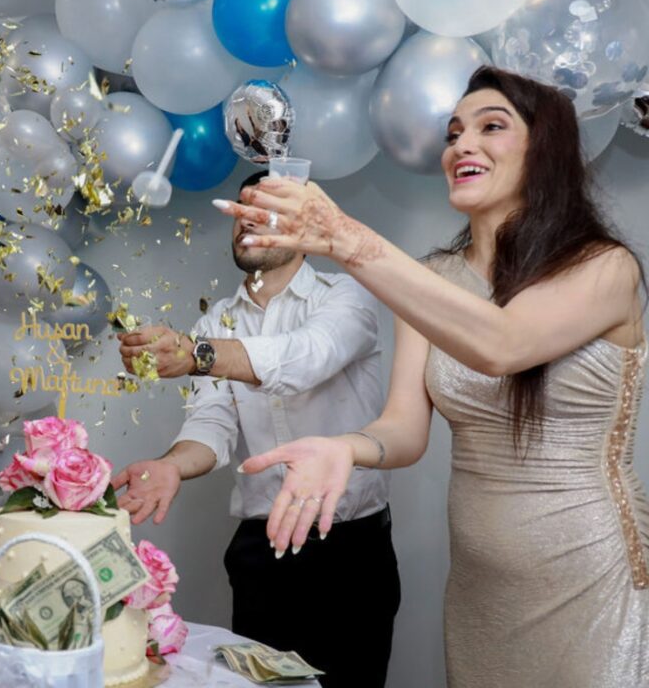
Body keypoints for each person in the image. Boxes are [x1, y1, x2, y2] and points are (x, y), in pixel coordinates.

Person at [223, 65, 648, 687]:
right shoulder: (433, 277)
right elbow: (404, 429)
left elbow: (503, 345)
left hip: (588, 571)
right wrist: (346, 448)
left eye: (490, 127)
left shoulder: (604, 268)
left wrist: (344, 237)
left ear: (545, 150)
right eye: (453, 133)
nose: (461, 146)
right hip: (480, 585)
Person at [111, 172, 398, 688]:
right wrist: (170, 466)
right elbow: (212, 425)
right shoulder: (217, 321)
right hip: (260, 553)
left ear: (303, 225)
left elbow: (306, 358)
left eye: (267, 209)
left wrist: (198, 355)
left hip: (350, 553)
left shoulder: (348, 297)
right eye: (241, 209)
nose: (248, 220)